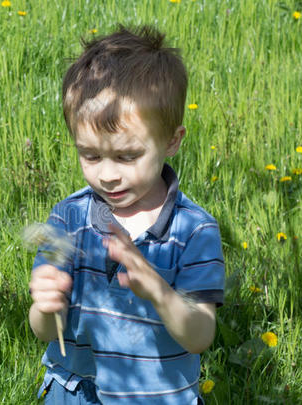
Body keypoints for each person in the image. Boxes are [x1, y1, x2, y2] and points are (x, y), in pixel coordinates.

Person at [28, 25, 225, 404]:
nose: (107, 174)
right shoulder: (70, 218)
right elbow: (44, 331)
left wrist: (158, 291)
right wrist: (44, 304)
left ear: (172, 141)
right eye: (90, 155)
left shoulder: (193, 230)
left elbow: (200, 336)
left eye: (126, 156)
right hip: (76, 392)